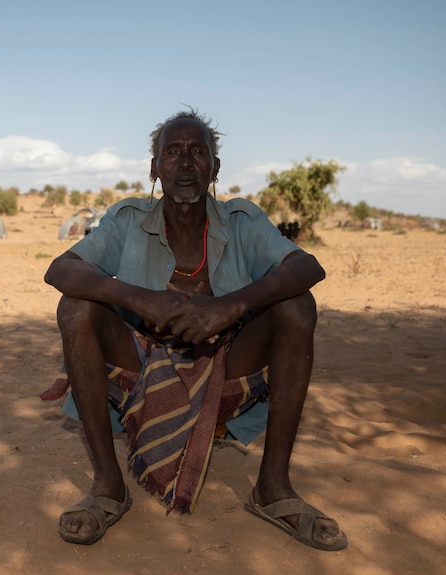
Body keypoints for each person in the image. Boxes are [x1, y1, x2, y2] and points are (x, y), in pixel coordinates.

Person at [42, 109, 347, 551]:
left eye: (198, 151)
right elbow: (61, 269)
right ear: (155, 168)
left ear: (215, 169)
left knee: (297, 306)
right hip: (140, 369)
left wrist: (230, 306)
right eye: (173, 152)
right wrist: (136, 298)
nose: (185, 162)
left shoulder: (242, 221)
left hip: (225, 366)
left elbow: (307, 266)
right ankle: (109, 487)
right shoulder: (126, 220)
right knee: (75, 308)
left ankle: (273, 488)